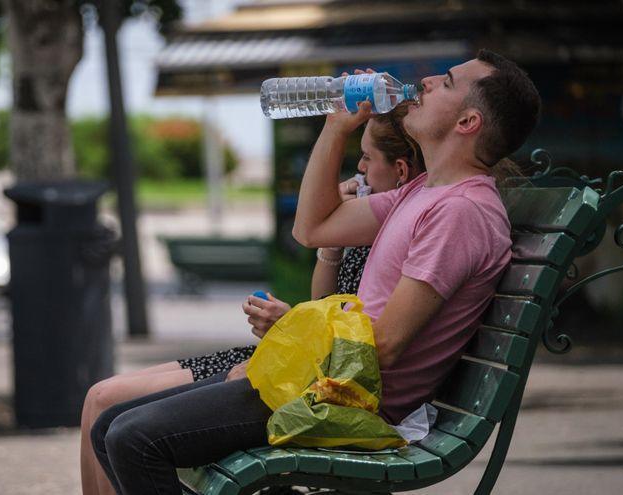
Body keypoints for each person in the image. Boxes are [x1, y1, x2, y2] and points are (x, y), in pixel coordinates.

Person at [91, 49, 542, 495]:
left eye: (446, 82)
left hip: (346, 400)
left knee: (132, 439)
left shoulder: (460, 211)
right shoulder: (427, 191)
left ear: (467, 123)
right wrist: (335, 126)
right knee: (110, 426)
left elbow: (383, 347)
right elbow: (313, 228)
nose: (426, 82)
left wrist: (289, 333)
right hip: (323, 380)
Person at [79, 104, 424, 495]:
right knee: (103, 404)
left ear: (400, 171)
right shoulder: (380, 215)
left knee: (111, 410)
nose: (358, 169)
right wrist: (332, 242)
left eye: (366, 157)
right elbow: (328, 299)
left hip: (308, 372)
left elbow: (355, 334)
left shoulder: (404, 221)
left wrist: (289, 323)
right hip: (291, 359)